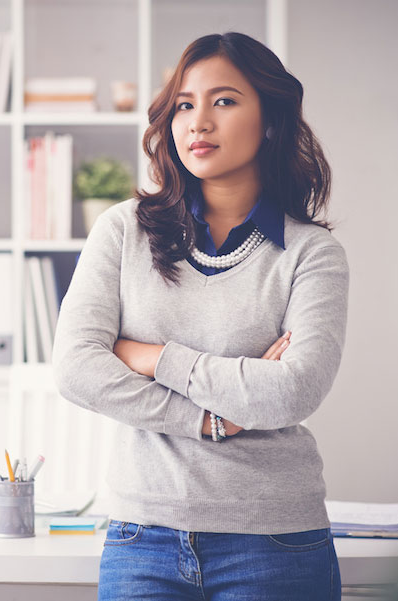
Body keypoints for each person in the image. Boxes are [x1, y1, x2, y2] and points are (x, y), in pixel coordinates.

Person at [52, 31, 348, 601]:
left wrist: (150, 357)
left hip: (275, 542)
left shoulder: (312, 253)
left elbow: (293, 391)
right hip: (143, 539)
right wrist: (210, 418)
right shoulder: (122, 231)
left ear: (270, 120)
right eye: (184, 105)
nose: (198, 122)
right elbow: (76, 369)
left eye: (224, 101)